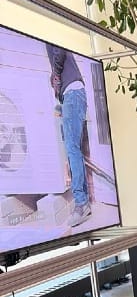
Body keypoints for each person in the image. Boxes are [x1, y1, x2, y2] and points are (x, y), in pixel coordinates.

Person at [46, 44, 91, 227]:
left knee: (72, 149)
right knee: (74, 149)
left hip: (72, 93)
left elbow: (59, 51)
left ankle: (81, 203)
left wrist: (56, 75)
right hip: (72, 94)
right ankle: (84, 202)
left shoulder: (48, 33)